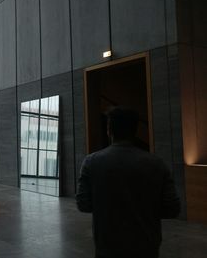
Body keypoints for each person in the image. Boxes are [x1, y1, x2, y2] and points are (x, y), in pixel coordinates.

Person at [76, 106, 180, 258]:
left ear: (109, 130)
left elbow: (83, 204)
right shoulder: (157, 163)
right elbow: (172, 208)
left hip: (107, 246)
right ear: (135, 130)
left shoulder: (91, 162)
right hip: (147, 247)